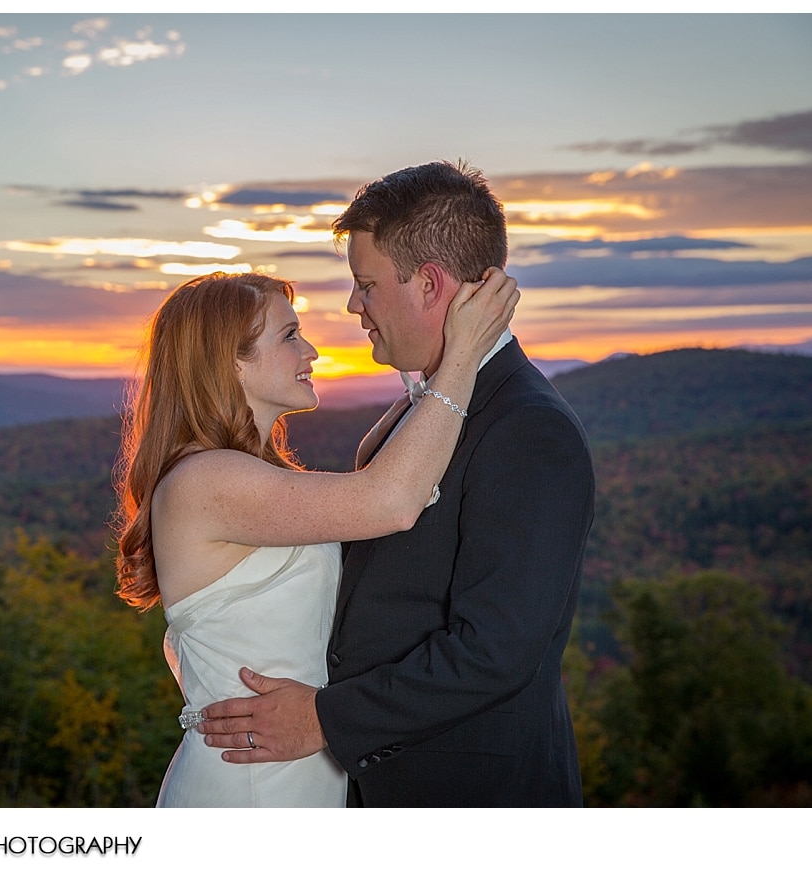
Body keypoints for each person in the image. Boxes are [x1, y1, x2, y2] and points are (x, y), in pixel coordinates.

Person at [197, 160, 596, 807]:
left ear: (431, 285)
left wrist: (325, 720)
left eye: (367, 285)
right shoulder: (418, 413)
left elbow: (498, 649)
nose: (355, 306)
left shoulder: (528, 429)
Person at [114, 266, 517, 807]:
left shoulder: (251, 478)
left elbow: (377, 483)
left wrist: (427, 376)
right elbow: (390, 500)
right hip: (250, 790)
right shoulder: (205, 481)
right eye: (288, 336)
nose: (312, 352)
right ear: (230, 363)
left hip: (296, 777)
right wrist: (464, 353)